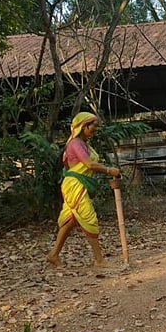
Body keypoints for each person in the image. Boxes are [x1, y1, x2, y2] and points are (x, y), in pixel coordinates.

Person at [47, 111, 120, 267]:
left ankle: (53, 254)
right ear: (83, 126)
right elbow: (89, 164)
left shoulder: (83, 144)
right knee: (89, 218)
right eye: (93, 126)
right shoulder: (75, 144)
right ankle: (99, 260)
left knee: (70, 220)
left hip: (78, 184)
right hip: (75, 185)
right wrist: (108, 170)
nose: (95, 129)